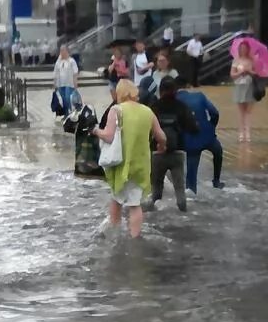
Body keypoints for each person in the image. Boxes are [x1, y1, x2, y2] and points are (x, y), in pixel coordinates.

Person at [92, 79, 167, 239]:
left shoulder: (116, 110)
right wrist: (162, 146)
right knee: (135, 204)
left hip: (120, 164)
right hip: (140, 165)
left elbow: (108, 136)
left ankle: (114, 232)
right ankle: (135, 238)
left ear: (120, 93)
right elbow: (161, 135)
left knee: (116, 198)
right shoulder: (147, 111)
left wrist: (95, 130)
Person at [146, 77, 198, 213]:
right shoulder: (181, 107)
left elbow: (146, 130)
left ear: (160, 90)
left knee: (156, 190)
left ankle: (152, 220)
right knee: (180, 190)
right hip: (177, 153)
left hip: (157, 154)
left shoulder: (154, 107)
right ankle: (185, 217)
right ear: (175, 90)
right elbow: (194, 129)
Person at [177, 83, 225, 193]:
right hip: (208, 137)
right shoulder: (200, 96)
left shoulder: (175, 100)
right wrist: (211, 127)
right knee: (218, 152)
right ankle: (216, 181)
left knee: (191, 183)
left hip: (191, 141)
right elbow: (214, 113)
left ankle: (191, 193)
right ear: (188, 88)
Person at [230, 41, 258, 142]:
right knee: (241, 112)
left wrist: (249, 71)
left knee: (248, 112)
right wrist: (240, 72)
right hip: (239, 87)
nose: (243, 50)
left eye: (245, 48)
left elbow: (256, 74)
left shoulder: (252, 60)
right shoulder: (236, 61)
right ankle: (241, 133)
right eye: (241, 48)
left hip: (249, 87)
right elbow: (232, 75)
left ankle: (248, 132)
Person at [52, 45, 79, 118]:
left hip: (69, 84)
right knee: (63, 99)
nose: (61, 52)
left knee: (68, 98)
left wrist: (75, 83)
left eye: (63, 50)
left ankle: (70, 112)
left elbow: (75, 72)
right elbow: (55, 73)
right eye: (60, 51)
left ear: (66, 51)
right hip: (61, 84)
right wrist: (55, 83)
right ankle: (66, 114)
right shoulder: (58, 62)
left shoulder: (71, 61)